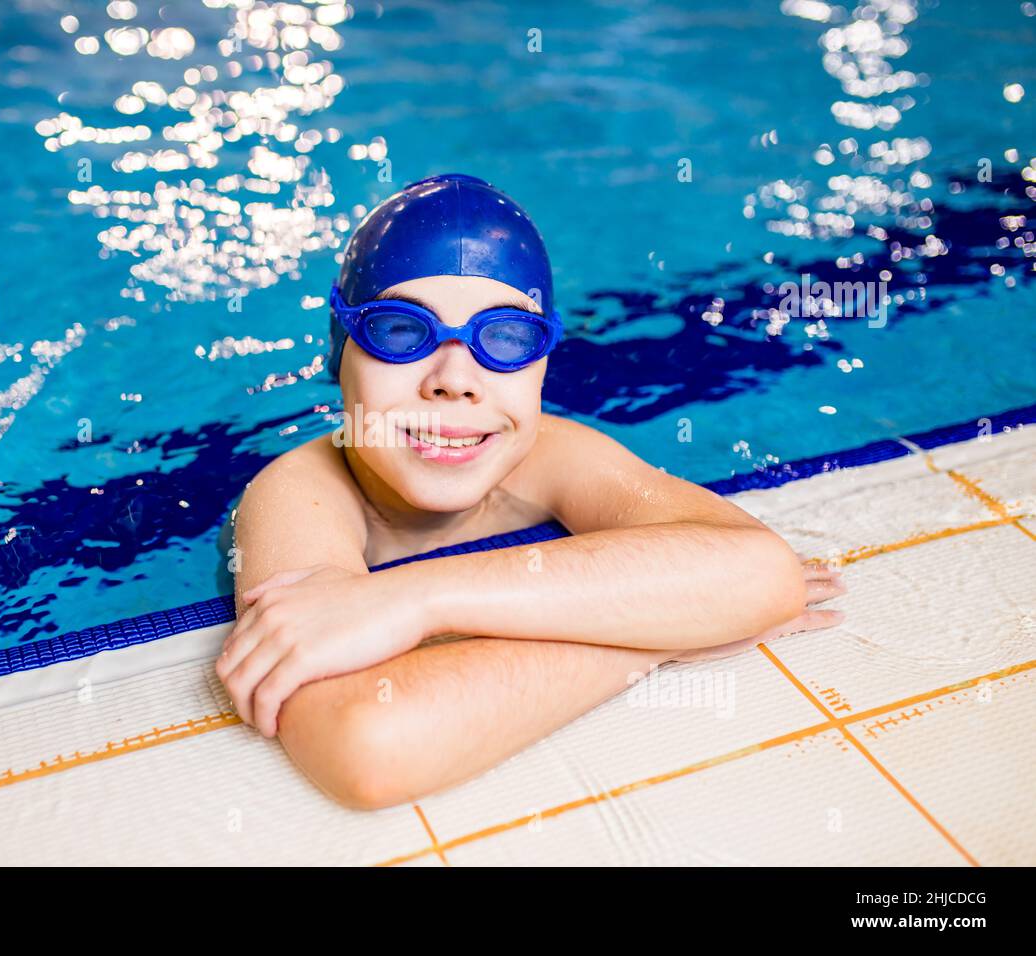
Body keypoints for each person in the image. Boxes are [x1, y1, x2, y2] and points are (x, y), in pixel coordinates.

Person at [216, 174, 845, 810]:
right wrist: (671, 634)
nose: (455, 380)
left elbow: (763, 573)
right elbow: (368, 748)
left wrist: (413, 598)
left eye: (505, 338)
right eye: (400, 331)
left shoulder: (549, 450)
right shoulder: (298, 492)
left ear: (542, 364)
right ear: (339, 350)